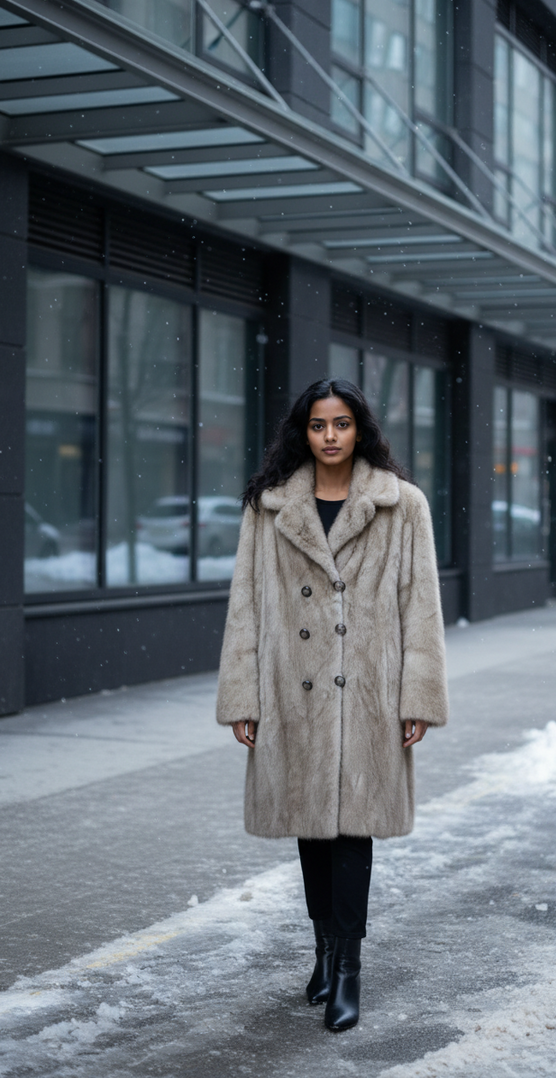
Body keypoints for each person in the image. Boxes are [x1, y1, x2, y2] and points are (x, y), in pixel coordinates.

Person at [216, 378, 449, 1031]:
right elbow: (245, 605)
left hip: (370, 692)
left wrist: (418, 697)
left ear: (360, 429)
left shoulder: (401, 505)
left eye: (341, 423)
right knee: (312, 830)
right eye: (318, 425)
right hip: (293, 692)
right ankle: (323, 951)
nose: (329, 436)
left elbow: (421, 607)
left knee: (351, 833)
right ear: (303, 431)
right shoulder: (270, 507)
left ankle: (348, 968)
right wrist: (242, 695)